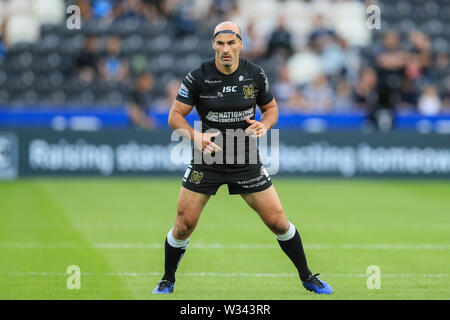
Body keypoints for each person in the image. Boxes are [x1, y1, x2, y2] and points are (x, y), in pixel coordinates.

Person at [152, 21, 333, 295]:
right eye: (220, 43)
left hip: (245, 158)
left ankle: (307, 276)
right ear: (213, 45)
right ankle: (167, 280)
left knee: (278, 221)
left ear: (240, 44)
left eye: (231, 43)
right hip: (207, 160)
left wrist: (265, 124)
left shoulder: (255, 75)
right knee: (183, 224)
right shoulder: (198, 76)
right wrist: (195, 137)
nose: (225, 49)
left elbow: (271, 109)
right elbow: (175, 116)